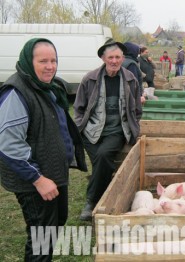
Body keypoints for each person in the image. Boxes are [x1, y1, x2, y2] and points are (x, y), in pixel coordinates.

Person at [0, 38, 87, 261]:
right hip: (35, 181)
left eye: (54, 60)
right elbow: (8, 144)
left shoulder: (48, 87)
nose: (50, 66)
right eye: (43, 61)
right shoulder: (16, 93)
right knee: (41, 236)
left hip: (54, 172)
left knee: (54, 226)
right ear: (29, 61)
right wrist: (38, 179)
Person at [74, 38, 142, 221]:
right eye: (111, 57)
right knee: (102, 164)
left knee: (103, 156)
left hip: (116, 131)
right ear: (103, 58)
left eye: (118, 57)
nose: (114, 61)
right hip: (91, 131)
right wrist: (81, 125)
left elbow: (136, 109)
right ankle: (108, 193)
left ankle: (91, 202)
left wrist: (133, 125)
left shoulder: (130, 79)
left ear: (122, 58)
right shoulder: (90, 79)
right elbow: (79, 107)